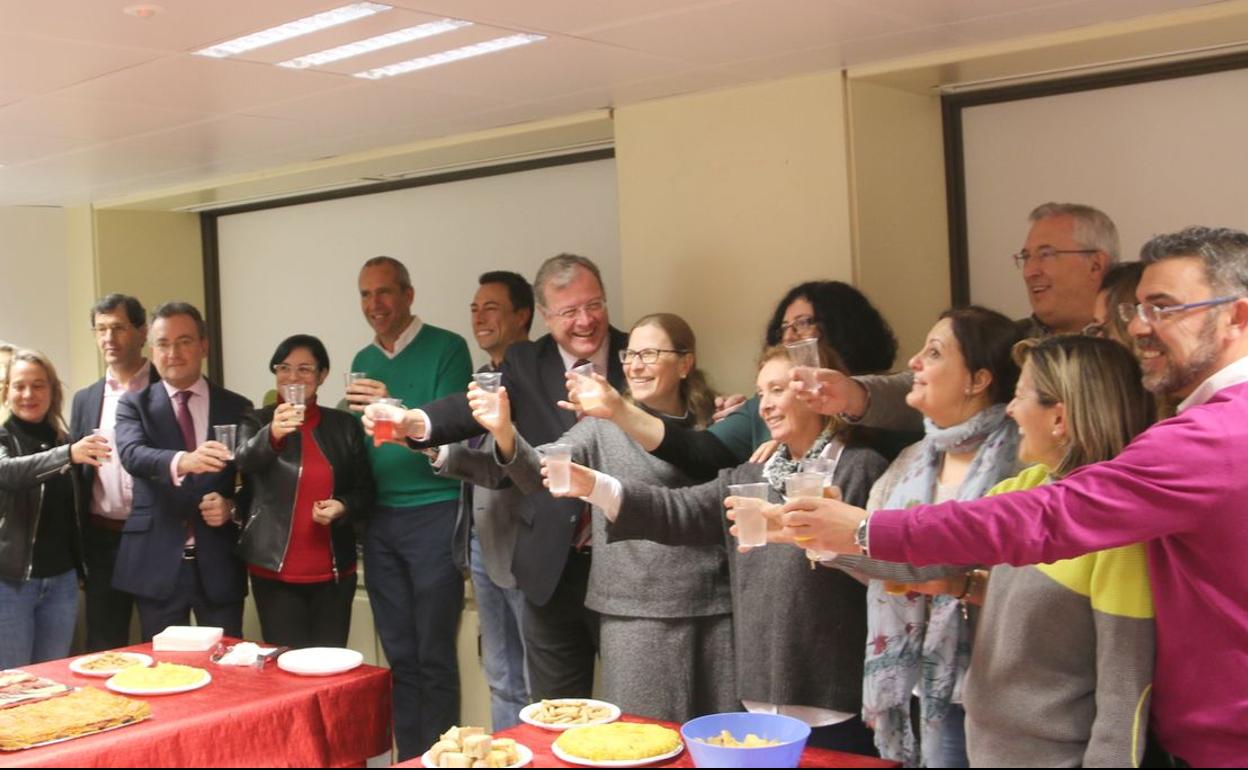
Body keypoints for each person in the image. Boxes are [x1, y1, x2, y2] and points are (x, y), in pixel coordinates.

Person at [770, 226, 1248, 767]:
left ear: (1236, 316)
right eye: (1138, 308)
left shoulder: (1216, 435)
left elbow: (1045, 519)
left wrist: (863, 527)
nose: (1139, 327)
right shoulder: (1205, 426)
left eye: (1163, 308)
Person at [543, 344, 887, 754]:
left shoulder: (861, 467)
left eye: (777, 390)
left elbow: (888, 570)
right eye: (762, 394)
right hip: (760, 698)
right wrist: (596, 486)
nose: (766, 406)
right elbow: (677, 510)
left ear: (818, 390)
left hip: (836, 697)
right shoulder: (751, 475)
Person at [366, 253, 629, 706]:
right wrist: (414, 421)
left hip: (629, 561)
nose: (585, 321)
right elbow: (469, 406)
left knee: (634, 711)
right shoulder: (526, 361)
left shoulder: (637, 353)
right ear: (545, 316)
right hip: (553, 565)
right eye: (569, 312)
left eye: (595, 305)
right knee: (558, 714)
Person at [473, 312, 737, 723]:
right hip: (633, 613)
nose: (634, 365)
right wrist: (505, 432)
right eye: (630, 354)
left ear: (685, 363)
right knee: (643, 742)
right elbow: (540, 473)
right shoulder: (601, 429)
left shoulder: (717, 424)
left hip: (714, 607)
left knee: (718, 743)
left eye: (650, 353)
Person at [824, 306, 1022, 767]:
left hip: (995, 687)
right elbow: (886, 568)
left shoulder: (1020, 460)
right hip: (911, 679)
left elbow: (1016, 583)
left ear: (977, 379)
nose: (914, 362)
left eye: (933, 353)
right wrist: (828, 541)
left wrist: (850, 535)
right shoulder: (911, 460)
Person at [811, 202, 1119, 433]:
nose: (1030, 270)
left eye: (1047, 254)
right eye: (1026, 257)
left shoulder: (1130, 344)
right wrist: (855, 395)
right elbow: (937, 382)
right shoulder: (1014, 342)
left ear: (1095, 264)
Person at [342, 256, 473, 759]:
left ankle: (440, 758)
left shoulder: (447, 347)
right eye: (365, 295)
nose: (375, 305)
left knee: (434, 654)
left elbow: (450, 429)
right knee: (399, 656)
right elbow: (368, 440)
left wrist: (392, 401)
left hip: (435, 510)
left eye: (384, 293)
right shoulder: (362, 358)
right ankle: (409, 757)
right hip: (380, 520)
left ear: (409, 294)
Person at [584, 280, 904, 483]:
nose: (791, 334)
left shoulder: (882, 400)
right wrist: (619, 412)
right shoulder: (758, 410)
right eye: (784, 326)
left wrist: (801, 439)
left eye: (804, 323)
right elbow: (702, 453)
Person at [113, 302, 252, 641]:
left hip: (219, 562)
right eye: (163, 343)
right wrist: (183, 460)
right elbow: (132, 455)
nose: (173, 352)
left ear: (204, 345)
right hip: (157, 563)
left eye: (184, 341)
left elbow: (256, 477)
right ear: (152, 348)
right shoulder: (134, 405)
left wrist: (233, 508)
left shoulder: (237, 406)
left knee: (227, 673)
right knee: (163, 675)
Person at [436, 270, 534, 731]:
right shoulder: (480, 381)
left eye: (491, 307)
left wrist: (441, 453)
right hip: (481, 542)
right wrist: (425, 443)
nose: (479, 317)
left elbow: (509, 468)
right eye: (474, 308)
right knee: (499, 676)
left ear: (523, 315)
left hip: (530, 546)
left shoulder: (537, 379)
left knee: (538, 684)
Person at [235, 335, 372, 649]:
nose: (293, 377)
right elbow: (243, 460)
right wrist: (272, 434)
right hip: (275, 573)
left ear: (322, 375)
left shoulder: (343, 426)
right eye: (284, 368)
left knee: (330, 671)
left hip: (335, 573)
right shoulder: (256, 419)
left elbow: (365, 492)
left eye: (305, 369)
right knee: (289, 672)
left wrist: (343, 506)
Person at [0, 349, 110, 667]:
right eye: (20, 386)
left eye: (38, 385)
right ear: (7, 392)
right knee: (14, 686)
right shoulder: (6, 438)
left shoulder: (66, 439)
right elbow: (11, 474)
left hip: (62, 582)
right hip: (11, 582)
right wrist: (68, 455)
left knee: (53, 680)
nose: (29, 394)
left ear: (52, 390)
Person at [70, 294, 158, 651]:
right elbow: (79, 477)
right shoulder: (85, 399)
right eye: (101, 329)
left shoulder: (166, 389)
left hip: (155, 535)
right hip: (102, 539)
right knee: (104, 644)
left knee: (162, 641)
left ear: (141, 332)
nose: (109, 338)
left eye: (118, 328)